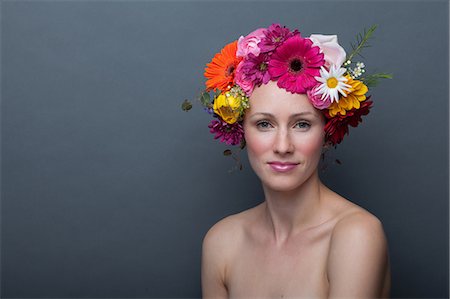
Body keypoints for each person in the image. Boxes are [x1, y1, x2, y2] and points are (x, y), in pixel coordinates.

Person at [194, 23, 391, 298]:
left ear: (328, 130)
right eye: (264, 124)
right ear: (240, 130)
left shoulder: (356, 235)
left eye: (301, 125)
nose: (283, 146)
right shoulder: (222, 242)